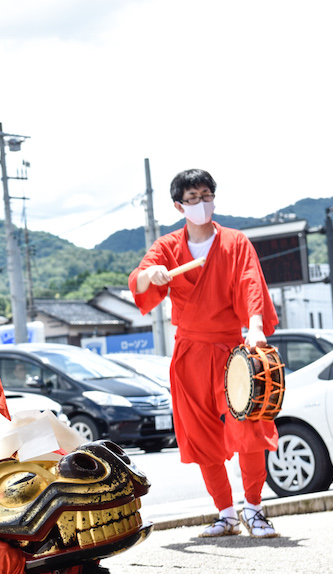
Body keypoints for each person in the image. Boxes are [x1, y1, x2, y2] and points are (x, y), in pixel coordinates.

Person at [129, 169, 280, 538]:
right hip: (190, 352)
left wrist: (255, 326)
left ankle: (254, 508)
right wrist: (153, 274)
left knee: (249, 425)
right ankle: (226, 514)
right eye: (192, 198)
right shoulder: (168, 246)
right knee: (201, 435)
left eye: (206, 195)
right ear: (178, 205)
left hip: (232, 349)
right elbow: (139, 279)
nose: (201, 203)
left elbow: (250, 283)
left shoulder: (235, 241)